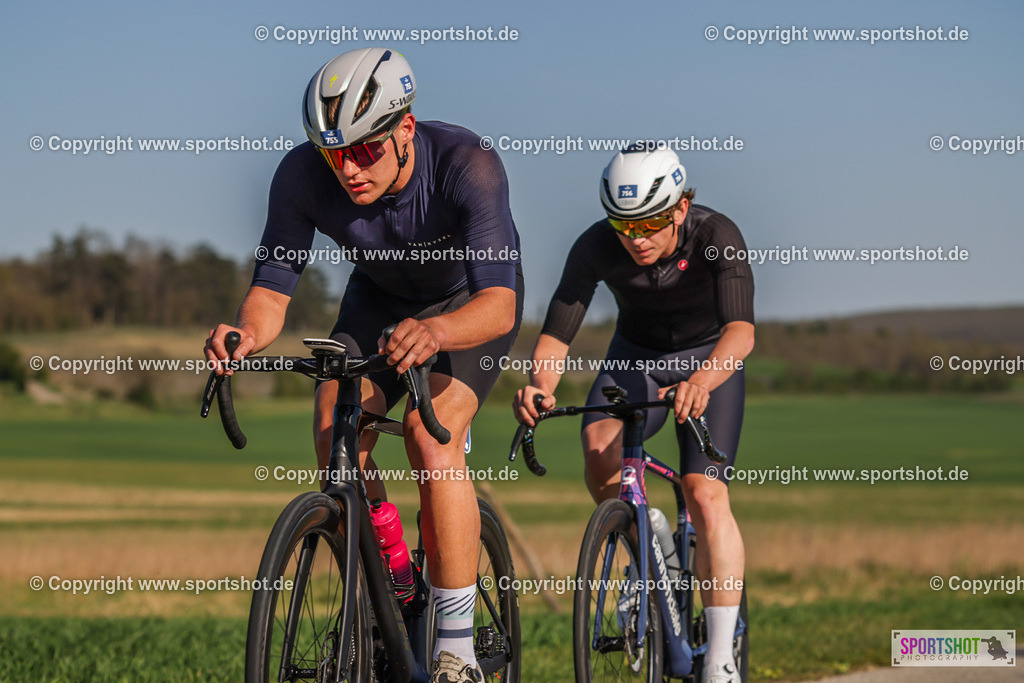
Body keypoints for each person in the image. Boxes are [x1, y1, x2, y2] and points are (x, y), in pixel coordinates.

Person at [204, 47, 523, 683]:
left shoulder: (469, 165)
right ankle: (399, 584)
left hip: (466, 307)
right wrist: (243, 334)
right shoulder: (299, 176)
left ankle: (456, 646)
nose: (348, 169)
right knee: (334, 438)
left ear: (404, 129)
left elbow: (502, 305)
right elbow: (271, 294)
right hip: (378, 301)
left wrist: (436, 330)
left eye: (364, 150)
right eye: (334, 154)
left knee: (430, 440)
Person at [513, 145, 754, 683]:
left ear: (681, 207)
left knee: (706, 494)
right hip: (634, 358)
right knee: (600, 454)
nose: (637, 238)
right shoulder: (597, 244)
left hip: (708, 360)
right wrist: (539, 386)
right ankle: (644, 530)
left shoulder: (717, 236)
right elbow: (556, 332)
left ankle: (718, 656)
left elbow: (741, 332)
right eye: (624, 225)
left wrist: (704, 381)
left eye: (649, 223)